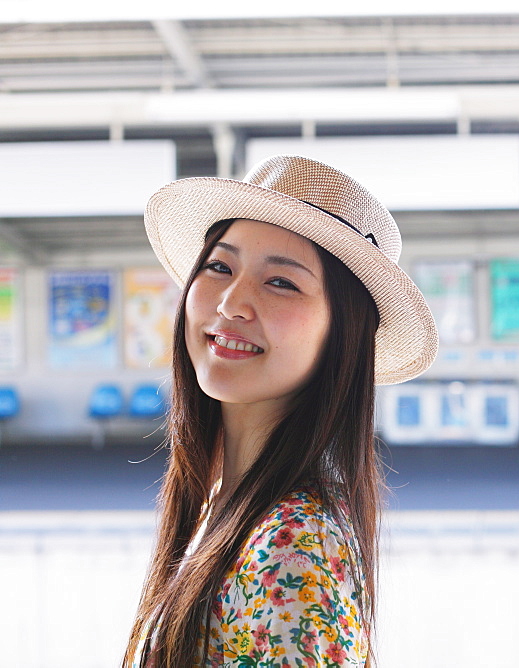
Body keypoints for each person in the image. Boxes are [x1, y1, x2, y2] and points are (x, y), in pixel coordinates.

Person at [124, 155, 438, 666]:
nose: (231, 302)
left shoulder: (294, 545)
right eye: (219, 266)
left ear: (343, 336)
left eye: (281, 283)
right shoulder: (223, 498)